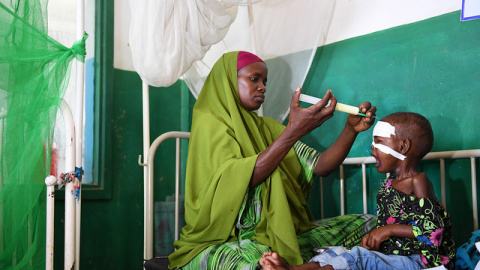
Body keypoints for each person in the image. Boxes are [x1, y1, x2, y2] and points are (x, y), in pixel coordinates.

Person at [168, 51, 376, 269]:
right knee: (252, 265)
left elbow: (321, 166)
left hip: (275, 233)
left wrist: (351, 129)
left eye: (265, 81)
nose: (262, 87)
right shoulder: (210, 124)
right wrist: (292, 132)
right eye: (253, 79)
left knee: (369, 225)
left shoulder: (267, 127)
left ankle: (285, 263)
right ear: (228, 81)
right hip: (227, 239)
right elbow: (241, 180)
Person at [259, 112, 456, 270]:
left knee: (357, 257)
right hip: (394, 257)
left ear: (403, 147)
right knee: (338, 251)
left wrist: (386, 231)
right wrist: (375, 238)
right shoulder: (389, 183)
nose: (372, 149)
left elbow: (433, 230)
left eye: (378, 142)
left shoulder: (417, 181)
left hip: (418, 262)